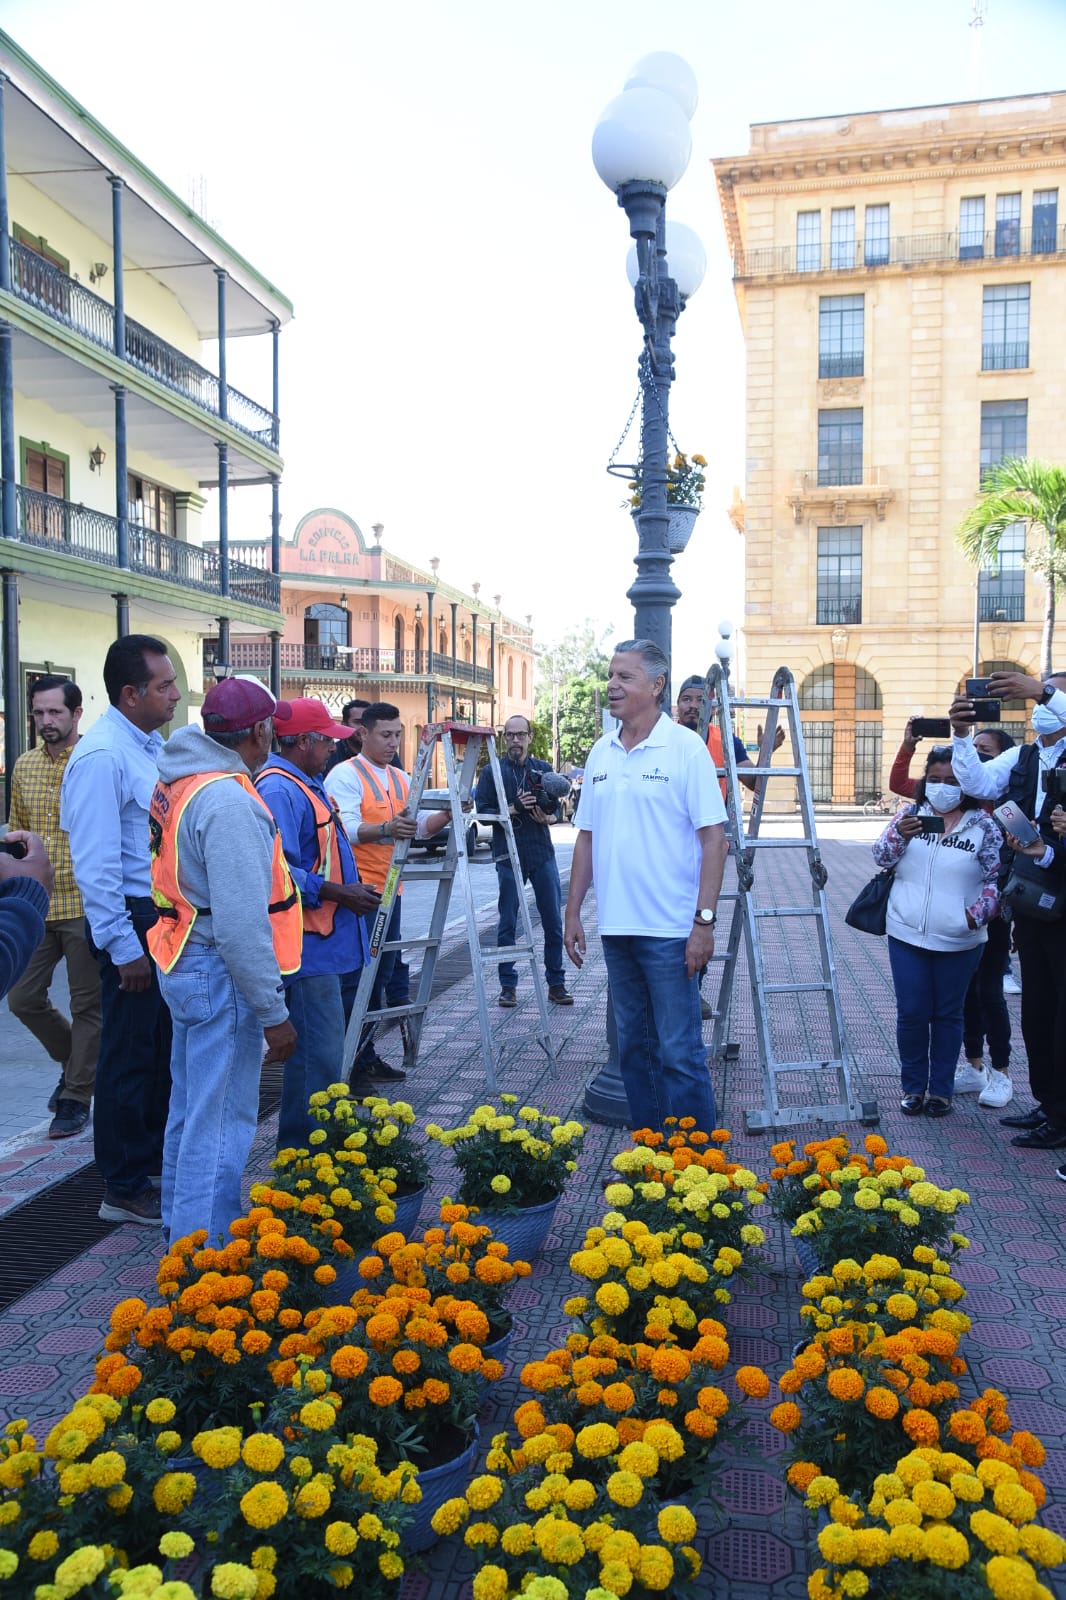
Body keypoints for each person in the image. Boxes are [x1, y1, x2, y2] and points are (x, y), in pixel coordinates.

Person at [148, 677, 300, 1244]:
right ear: (259, 731)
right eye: (272, 729)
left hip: (182, 956)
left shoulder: (181, 776)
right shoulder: (228, 801)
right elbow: (240, 929)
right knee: (218, 1123)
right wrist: (273, 1013)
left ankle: (180, 1230)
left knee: (190, 1109)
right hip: (216, 967)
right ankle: (205, 1259)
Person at [564, 640, 728, 1133]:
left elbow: (714, 840)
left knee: (680, 1052)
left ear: (657, 685)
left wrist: (703, 923)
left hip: (672, 931)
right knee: (634, 1050)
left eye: (625, 677)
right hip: (618, 929)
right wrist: (573, 912)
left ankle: (699, 1162)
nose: (612, 685)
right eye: (611, 675)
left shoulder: (685, 749)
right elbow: (587, 837)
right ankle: (654, 1155)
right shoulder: (601, 751)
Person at [61, 636, 180, 1225]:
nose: (176, 695)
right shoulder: (101, 756)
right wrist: (123, 946)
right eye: (164, 685)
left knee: (157, 1049)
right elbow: (97, 865)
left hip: (157, 915)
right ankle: (123, 1184)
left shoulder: (148, 745)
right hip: (130, 920)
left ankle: (150, 1163)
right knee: (127, 1055)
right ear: (130, 694)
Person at [948, 669, 1066, 1148]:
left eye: (1051, 696)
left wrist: (1044, 690)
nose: (1040, 705)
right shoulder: (1025, 755)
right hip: (1031, 894)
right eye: (1039, 696)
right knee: (1037, 1007)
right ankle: (1049, 1104)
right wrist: (961, 735)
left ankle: (1062, 1117)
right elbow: (976, 780)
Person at [255, 698, 378, 1149]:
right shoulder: (279, 789)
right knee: (316, 1059)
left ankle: (318, 1150)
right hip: (307, 949)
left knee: (325, 1057)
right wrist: (339, 892)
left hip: (324, 943)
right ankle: (305, 1158)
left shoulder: (303, 782)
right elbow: (277, 872)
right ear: (303, 742)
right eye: (326, 741)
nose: (332, 749)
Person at [889, 721, 1015, 1108]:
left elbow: (996, 878)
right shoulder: (911, 815)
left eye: (952, 780)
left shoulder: (986, 825)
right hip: (907, 932)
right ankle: (913, 1088)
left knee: (948, 1013)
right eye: (935, 779)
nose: (943, 787)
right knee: (912, 1012)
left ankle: (941, 1091)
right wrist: (899, 834)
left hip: (960, 938)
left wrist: (974, 916)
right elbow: (881, 856)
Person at [327, 702, 451, 1073]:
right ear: (363, 734)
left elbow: (419, 826)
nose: (393, 742)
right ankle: (345, 1064)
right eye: (385, 735)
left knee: (380, 976)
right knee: (355, 980)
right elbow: (345, 828)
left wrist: (447, 813)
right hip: (358, 894)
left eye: (397, 734)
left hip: (389, 891)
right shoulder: (345, 774)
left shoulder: (399, 776)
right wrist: (385, 829)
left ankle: (364, 1057)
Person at [7, 677, 102, 1138]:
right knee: (22, 998)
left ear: (76, 713)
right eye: (38, 713)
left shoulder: (94, 761)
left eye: (54, 713)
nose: (45, 721)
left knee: (88, 1006)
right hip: (37, 903)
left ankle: (76, 1096)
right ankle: (79, 1064)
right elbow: (18, 833)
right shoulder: (24, 765)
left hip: (84, 901)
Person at [473, 713, 573, 1009]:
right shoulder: (491, 772)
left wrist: (548, 817)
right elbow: (483, 814)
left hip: (541, 853)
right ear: (504, 738)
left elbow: (555, 811)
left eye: (520, 734)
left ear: (530, 737)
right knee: (507, 922)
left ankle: (556, 983)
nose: (515, 740)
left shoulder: (543, 770)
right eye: (510, 735)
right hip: (507, 854)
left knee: (553, 922)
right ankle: (508, 986)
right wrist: (513, 808)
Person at [675, 674, 785, 796]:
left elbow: (753, 782)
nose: (693, 705)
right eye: (686, 699)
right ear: (677, 705)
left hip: (714, 809)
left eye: (701, 700)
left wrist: (765, 752)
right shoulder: (662, 738)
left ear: (713, 709)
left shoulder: (726, 740)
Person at [0, 832, 53, 1001]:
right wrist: (28, 893)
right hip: (28, 907)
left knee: (85, 1003)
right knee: (22, 1000)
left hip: (75, 906)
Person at [325, 699, 370, 776]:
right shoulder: (330, 755)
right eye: (357, 722)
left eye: (367, 722)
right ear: (344, 725)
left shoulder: (384, 754)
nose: (363, 727)